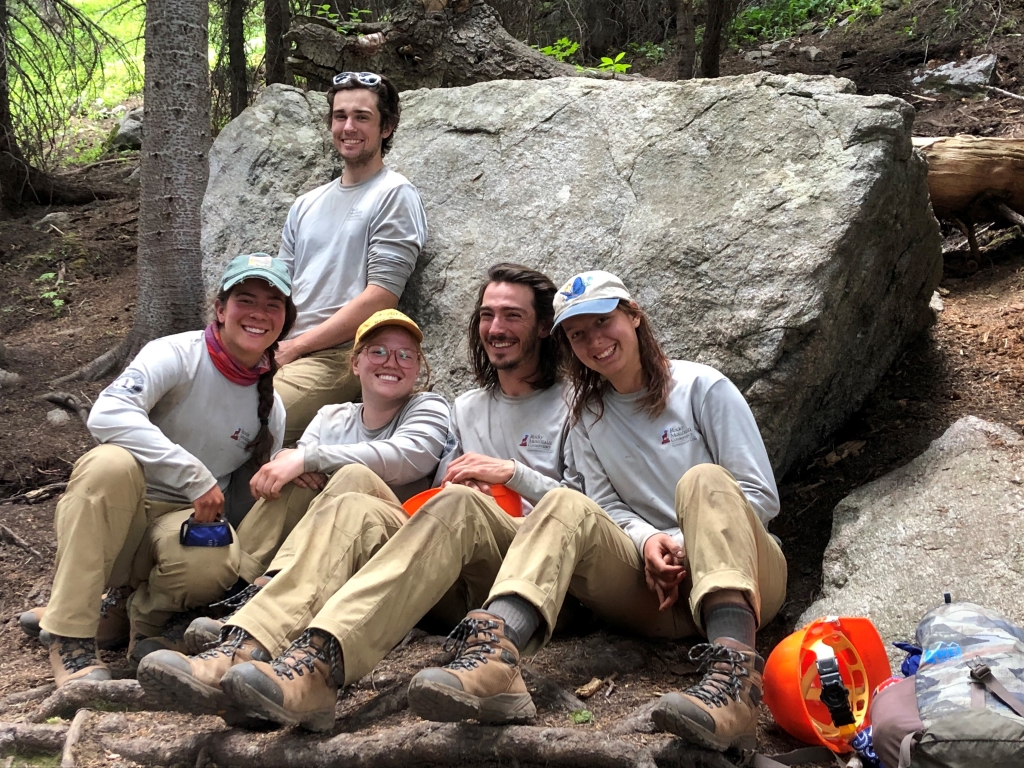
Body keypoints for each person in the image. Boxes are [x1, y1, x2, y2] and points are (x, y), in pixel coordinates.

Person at [139, 263, 577, 731]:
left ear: (545, 327)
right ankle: (252, 641)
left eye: (512, 316)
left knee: (436, 499)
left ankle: (321, 662)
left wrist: (510, 475)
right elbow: (443, 483)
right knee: (353, 491)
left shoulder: (576, 405)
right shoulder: (467, 408)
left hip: (537, 579)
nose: (495, 328)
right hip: (453, 576)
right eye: (487, 315)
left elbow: (586, 513)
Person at [405, 270, 787, 754]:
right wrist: (647, 540)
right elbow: (604, 507)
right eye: (577, 333)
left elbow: (759, 495)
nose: (595, 341)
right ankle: (495, 659)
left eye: (604, 321)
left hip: (745, 578)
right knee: (569, 502)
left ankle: (732, 688)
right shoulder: (588, 415)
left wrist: (687, 544)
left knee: (704, 479)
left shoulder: (702, 387)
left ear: (634, 317)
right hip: (656, 596)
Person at [136, 308, 452, 714]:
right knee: (297, 482)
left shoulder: (428, 407)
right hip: (320, 559)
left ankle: (253, 610)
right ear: (354, 363)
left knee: (350, 477)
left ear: (419, 368)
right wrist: (295, 465)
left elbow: (410, 458)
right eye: (377, 351)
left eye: (406, 355)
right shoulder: (331, 415)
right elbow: (296, 471)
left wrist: (308, 459)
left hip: (387, 555)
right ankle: (233, 598)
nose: (392, 362)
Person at [27, 254, 293, 688]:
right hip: (118, 513)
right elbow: (107, 414)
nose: (259, 314)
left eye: (273, 305)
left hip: (179, 525)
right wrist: (195, 475)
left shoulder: (271, 409)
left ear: (284, 321)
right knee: (108, 463)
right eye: (246, 300)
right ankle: (70, 634)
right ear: (221, 309)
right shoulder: (175, 354)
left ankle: (129, 617)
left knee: (217, 553)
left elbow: (245, 502)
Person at [273, 71, 428, 444]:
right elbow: (279, 285)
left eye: (362, 117)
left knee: (253, 415)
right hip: (282, 348)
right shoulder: (306, 204)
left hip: (339, 355)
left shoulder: (395, 195)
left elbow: (381, 297)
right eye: (340, 116)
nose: (348, 127)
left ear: (386, 127)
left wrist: (297, 347)